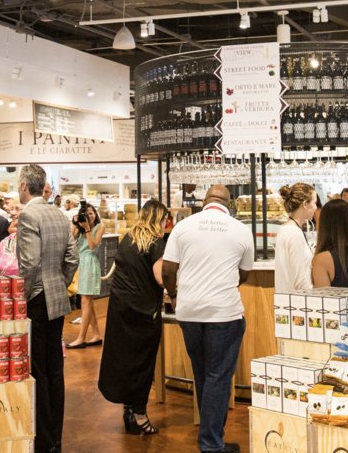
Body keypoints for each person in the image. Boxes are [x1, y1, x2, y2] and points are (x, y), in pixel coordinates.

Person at [162, 184, 253, 453]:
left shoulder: (183, 226)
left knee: (203, 374)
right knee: (218, 376)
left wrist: (174, 294)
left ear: (204, 201)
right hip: (224, 312)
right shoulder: (240, 229)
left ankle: (212, 435)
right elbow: (244, 273)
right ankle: (211, 444)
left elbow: (168, 270)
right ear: (229, 204)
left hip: (189, 312)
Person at [17, 164, 78, 453]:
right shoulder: (59, 213)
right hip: (56, 298)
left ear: (23, 185)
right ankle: (55, 438)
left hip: (36, 300)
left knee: (38, 370)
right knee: (55, 369)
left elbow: (29, 264)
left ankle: (42, 441)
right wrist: (59, 283)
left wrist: (23, 297)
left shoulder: (29, 214)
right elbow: (73, 258)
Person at [98, 199, 170, 435]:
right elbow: (160, 278)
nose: (165, 224)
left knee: (126, 361)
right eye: (164, 220)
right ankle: (139, 415)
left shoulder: (128, 238)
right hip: (143, 312)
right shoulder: (155, 243)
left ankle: (129, 411)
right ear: (158, 218)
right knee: (142, 365)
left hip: (120, 309)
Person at [66, 202, 104, 348]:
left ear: (95, 213)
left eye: (91, 213)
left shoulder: (100, 227)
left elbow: (93, 246)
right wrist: (75, 224)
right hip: (81, 264)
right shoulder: (81, 227)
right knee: (88, 302)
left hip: (90, 263)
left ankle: (81, 338)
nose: (89, 216)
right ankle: (96, 335)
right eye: (86, 214)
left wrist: (87, 229)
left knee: (85, 301)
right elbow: (70, 239)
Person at [274, 182, 316, 292]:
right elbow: (300, 281)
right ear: (305, 204)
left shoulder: (286, 229)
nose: (316, 207)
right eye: (314, 203)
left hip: (286, 298)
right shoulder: (294, 233)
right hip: (298, 300)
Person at [0, 198, 23, 276]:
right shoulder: (9, 239)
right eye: (12, 209)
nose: (12, 213)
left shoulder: (34, 238)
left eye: (17, 209)